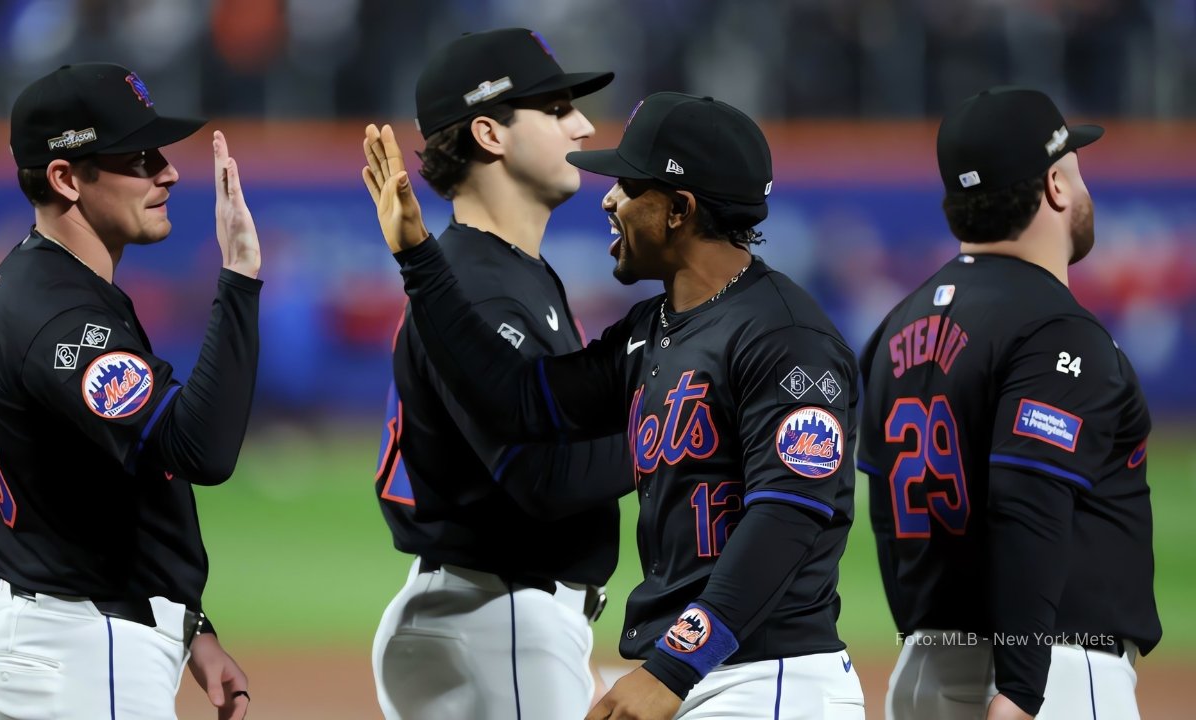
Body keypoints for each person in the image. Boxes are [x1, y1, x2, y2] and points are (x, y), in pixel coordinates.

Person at [364, 91, 865, 720]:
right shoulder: (650, 329)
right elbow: (517, 400)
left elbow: (789, 516)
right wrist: (418, 258)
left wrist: (674, 667)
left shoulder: (784, 336)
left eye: (628, 185)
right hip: (702, 672)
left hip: (768, 678)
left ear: (679, 209)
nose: (607, 198)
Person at [0, 63, 262, 720]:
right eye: (137, 156)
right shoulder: (63, 319)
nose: (168, 172)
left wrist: (193, 628)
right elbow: (201, 450)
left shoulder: (52, 285)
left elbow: (121, 489)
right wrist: (238, 277)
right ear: (67, 178)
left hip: (65, 635)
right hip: (75, 651)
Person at [856, 86, 1161, 720]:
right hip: (1046, 678)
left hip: (924, 674)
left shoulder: (894, 328)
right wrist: (1021, 690)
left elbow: (887, 518)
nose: (1082, 188)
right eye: (1076, 171)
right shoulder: (1057, 330)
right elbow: (1029, 503)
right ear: (1054, 186)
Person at [367, 28, 634, 720]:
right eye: (556, 109)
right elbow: (542, 478)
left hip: (492, 614)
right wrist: (673, 433)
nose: (583, 125)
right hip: (499, 613)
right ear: (490, 132)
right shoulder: (480, 286)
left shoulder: (496, 271)